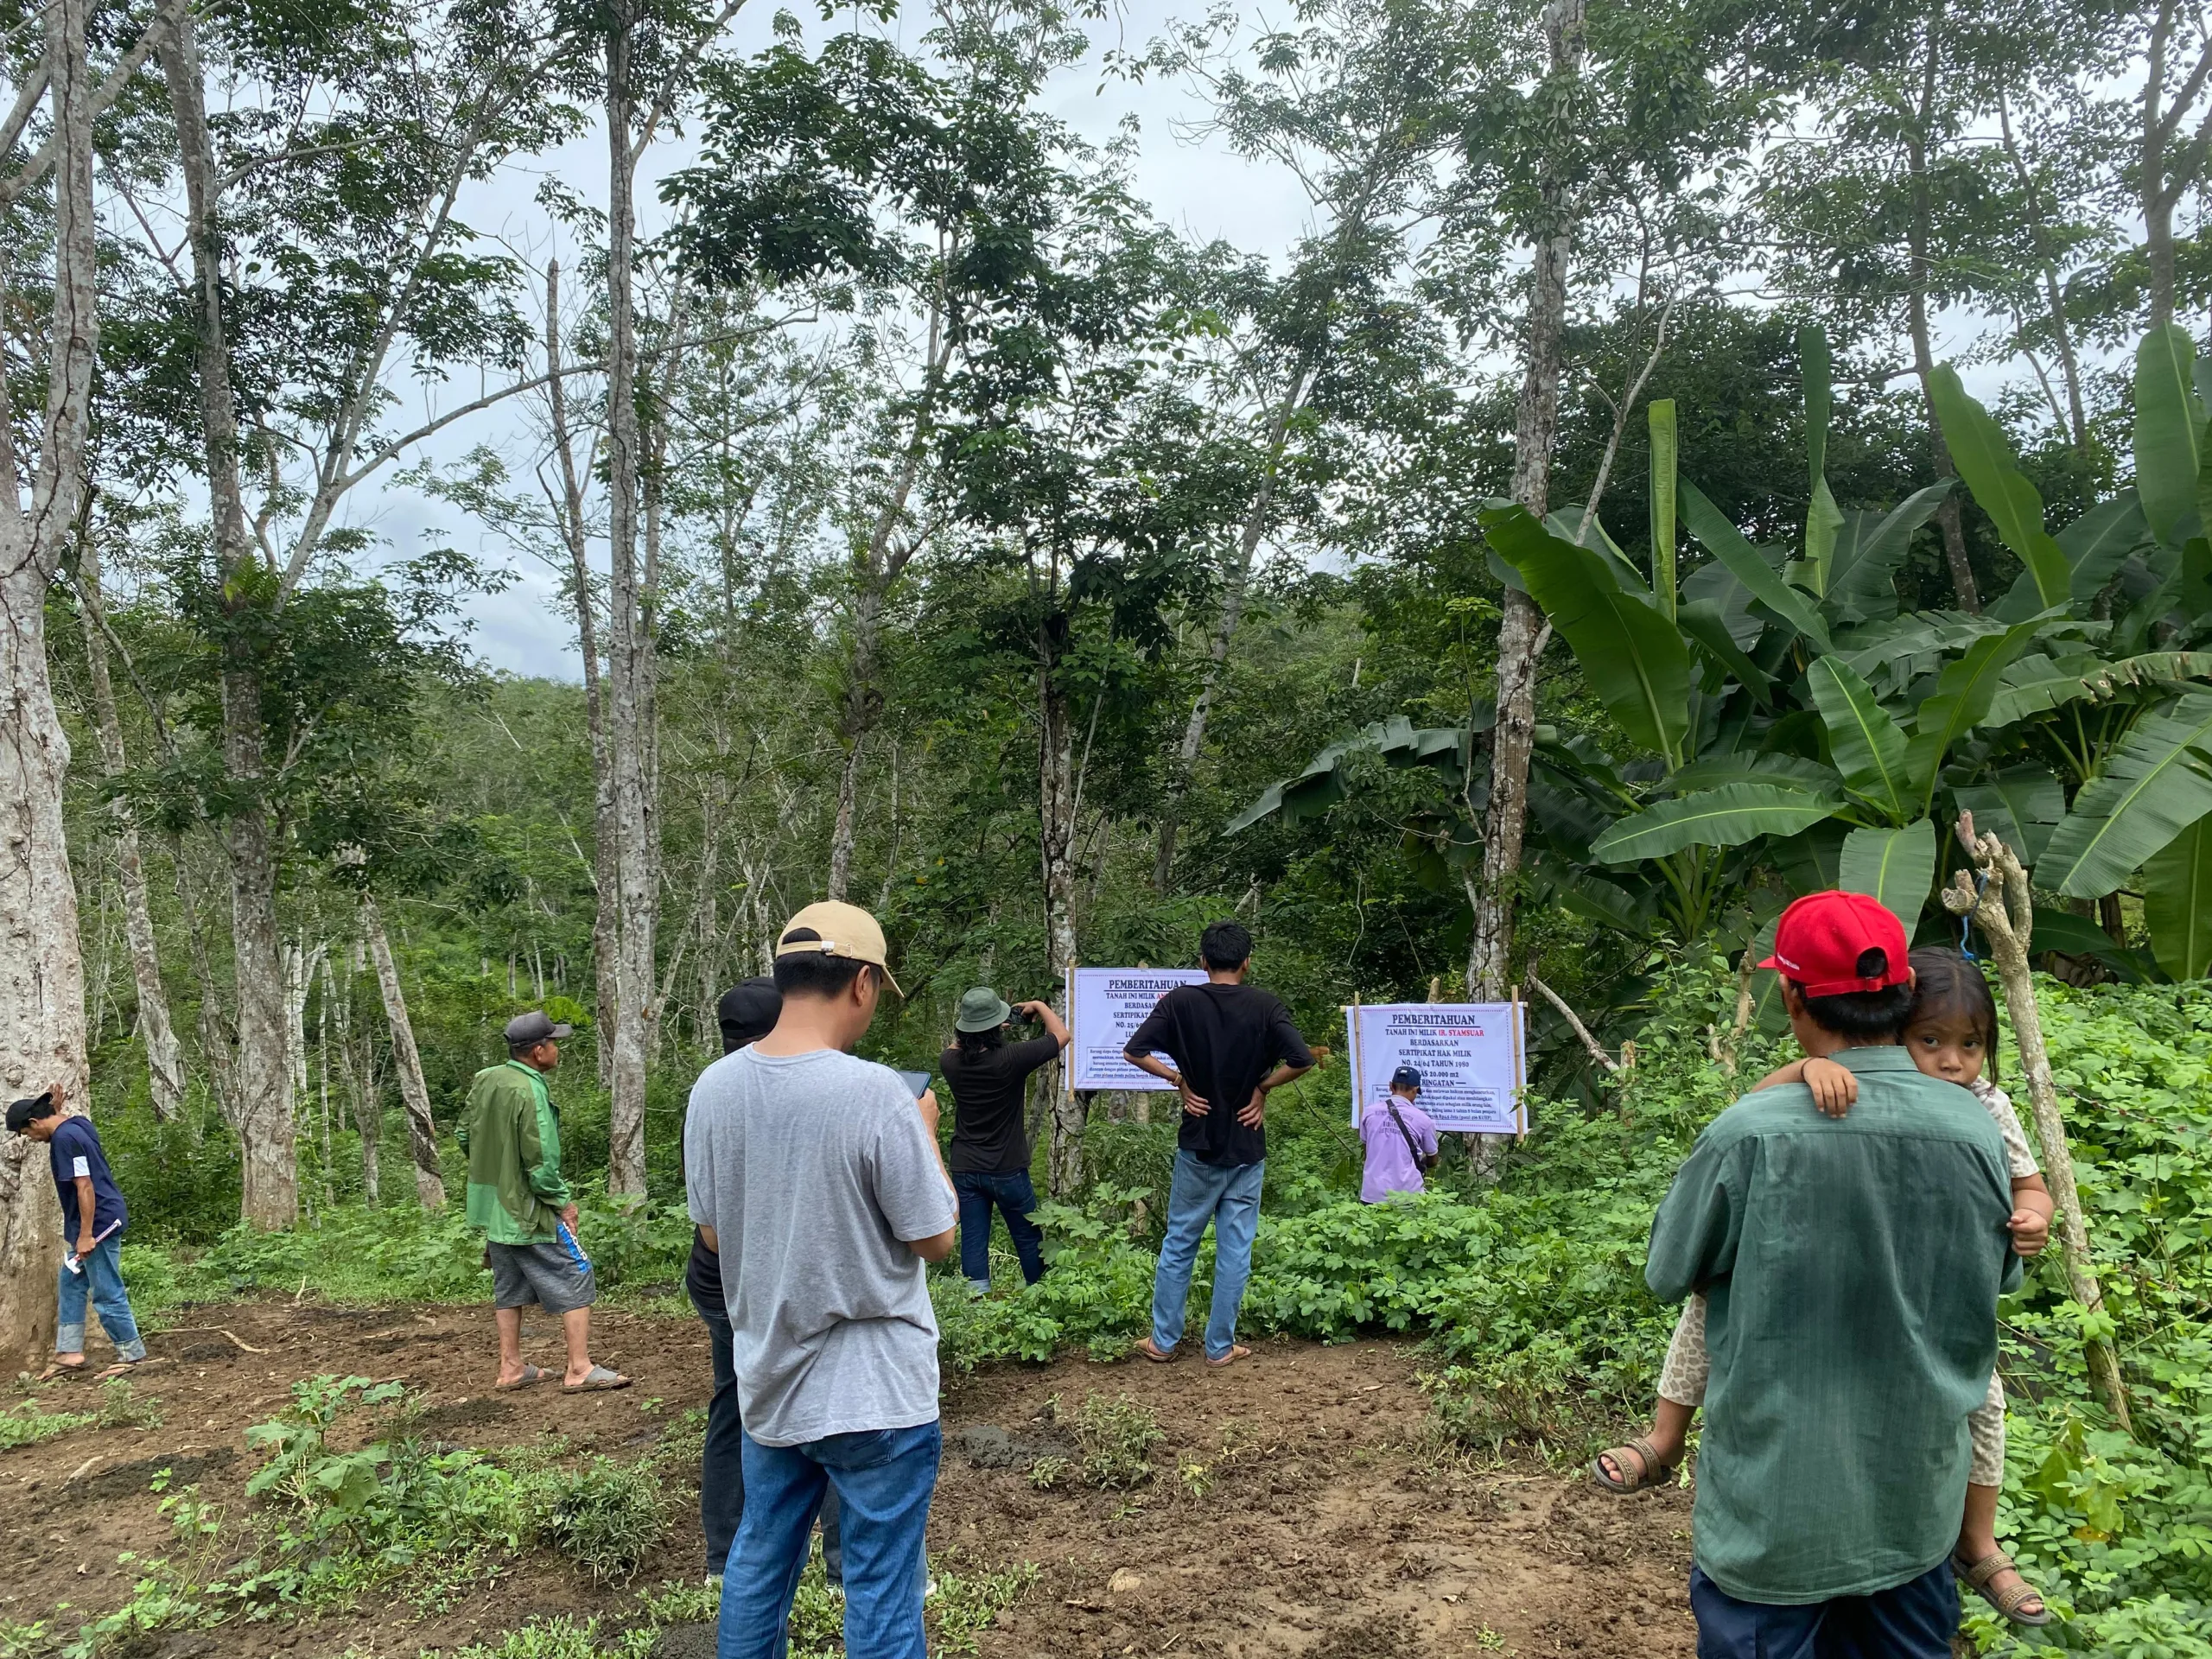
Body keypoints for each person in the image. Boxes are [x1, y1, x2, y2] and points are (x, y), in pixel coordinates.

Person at [1595, 946, 2057, 1627]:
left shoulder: (1979, 1115)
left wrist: (2034, 1217)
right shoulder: (1969, 1133)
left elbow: (1668, 1271)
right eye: (1932, 1041)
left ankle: (1978, 1541)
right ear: (1900, 1006)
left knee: (1708, 1300)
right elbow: (1998, 1277)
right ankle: (1666, 1438)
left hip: (1772, 1527)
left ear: (1792, 996)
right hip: (1911, 1521)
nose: (1951, 1061)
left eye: (1970, 1046)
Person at [686, 901, 957, 1659]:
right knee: (880, 1586)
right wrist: (927, 1134)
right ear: (863, 983)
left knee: (759, 1561)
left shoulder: (714, 1089)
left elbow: (713, 1235)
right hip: (876, 1392)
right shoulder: (876, 1093)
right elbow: (935, 1238)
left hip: (770, 1378)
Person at [1123, 919, 1315, 1368]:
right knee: (1235, 1249)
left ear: (1203, 961)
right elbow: (1302, 1059)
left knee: (1180, 1242)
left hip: (1199, 1142)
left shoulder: (1180, 1001)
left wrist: (1178, 1080)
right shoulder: (1266, 1006)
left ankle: (1163, 1343)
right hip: (1247, 1143)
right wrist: (1262, 1088)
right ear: (1247, 962)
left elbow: (1134, 1051)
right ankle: (1220, 1347)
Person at [458, 1011, 628, 1393]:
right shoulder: (530, 1091)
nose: (557, 1050)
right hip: (528, 1208)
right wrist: (563, 1203)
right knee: (576, 1270)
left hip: (497, 1208)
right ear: (538, 1051)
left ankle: (511, 1367)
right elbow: (540, 1163)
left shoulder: (487, 1079)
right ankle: (579, 1368)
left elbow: (464, 1135)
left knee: (509, 1284)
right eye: (553, 1043)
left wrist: (499, 1171)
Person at [7, 1087, 146, 1382]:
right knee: (70, 1281)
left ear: (34, 1123)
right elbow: (65, 1126)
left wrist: (86, 1235)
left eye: (28, 1133)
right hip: (92, 1221)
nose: (32, 1139)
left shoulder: (64, 1140)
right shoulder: (77, 1125)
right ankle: (70, 1352)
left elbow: (84, 1185)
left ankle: (131, 1354)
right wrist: (55, 1110)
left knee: (106, 1290)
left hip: (98, 1224)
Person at [941, 986, 1069, 1294]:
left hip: (966, 1167)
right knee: (1027, 1235)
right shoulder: (1012, 1058)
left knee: (974, 1239)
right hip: (1007, 1168)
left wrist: (985, 1029)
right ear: (996, 1027)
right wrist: (1038, 1005)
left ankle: (976, 1304)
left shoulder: (949, 1061)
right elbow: (1061, 1036)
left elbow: (957, 1045)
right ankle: (1039, 1293)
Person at [1359, 1065, 1440, 1203]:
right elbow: (1433, 1160)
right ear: (1415, 1090)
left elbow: (1367, 1147)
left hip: (1372, 1194)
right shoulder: (1424, 1121)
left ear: (1391, 1086)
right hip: (1408, 1196)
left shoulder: (1369, 1113)